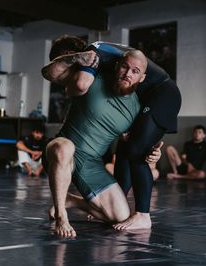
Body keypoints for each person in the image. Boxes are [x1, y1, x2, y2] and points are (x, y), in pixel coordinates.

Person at [42, 36, 181, 230]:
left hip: (92, 163)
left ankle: (73, 201)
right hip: (64, 150)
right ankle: (61, 216)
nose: (127, 74)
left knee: (120, 213)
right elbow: (50, 73)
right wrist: (75, 59)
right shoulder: (90, 78)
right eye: (124, 67)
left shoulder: (135, 108)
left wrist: (154, 154)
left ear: (142, 78)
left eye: (135, 71)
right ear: (117, 65)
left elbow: (138, 143)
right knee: (66, 148)